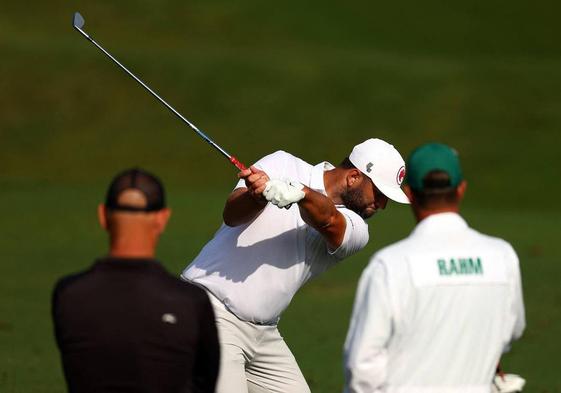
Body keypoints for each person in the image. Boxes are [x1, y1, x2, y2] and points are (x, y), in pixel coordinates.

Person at [182, 138, 409, 393]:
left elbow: (328, 219)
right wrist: (256, 197)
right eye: (379, 194)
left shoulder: (357, 231)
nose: (382, 204)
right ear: (354, 177)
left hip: (263, 334)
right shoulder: (282, 162)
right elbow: (232, 215)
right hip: (210, 311)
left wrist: (301, 193)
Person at [343, 143, 526, 393]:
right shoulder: (502, 256)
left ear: (409, 194)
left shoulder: (390, 264)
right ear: (461, 190)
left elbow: (361, 365)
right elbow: (510, 332)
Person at [52, 168, 220, 393]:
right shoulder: (191, 302)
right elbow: (205, 381)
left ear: (103, 216)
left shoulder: (68, 294)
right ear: (162, 219)